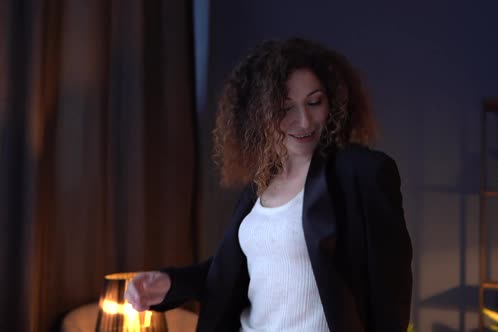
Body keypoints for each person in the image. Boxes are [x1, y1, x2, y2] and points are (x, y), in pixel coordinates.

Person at [124, 38, 413, 332]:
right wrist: (170, 283)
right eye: (285, 108)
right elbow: (232, 271)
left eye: (314, 102)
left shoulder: (361, 173)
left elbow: (391, 289)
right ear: (258, 114)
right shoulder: (260, 183)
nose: (304, 121)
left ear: (334, 102)